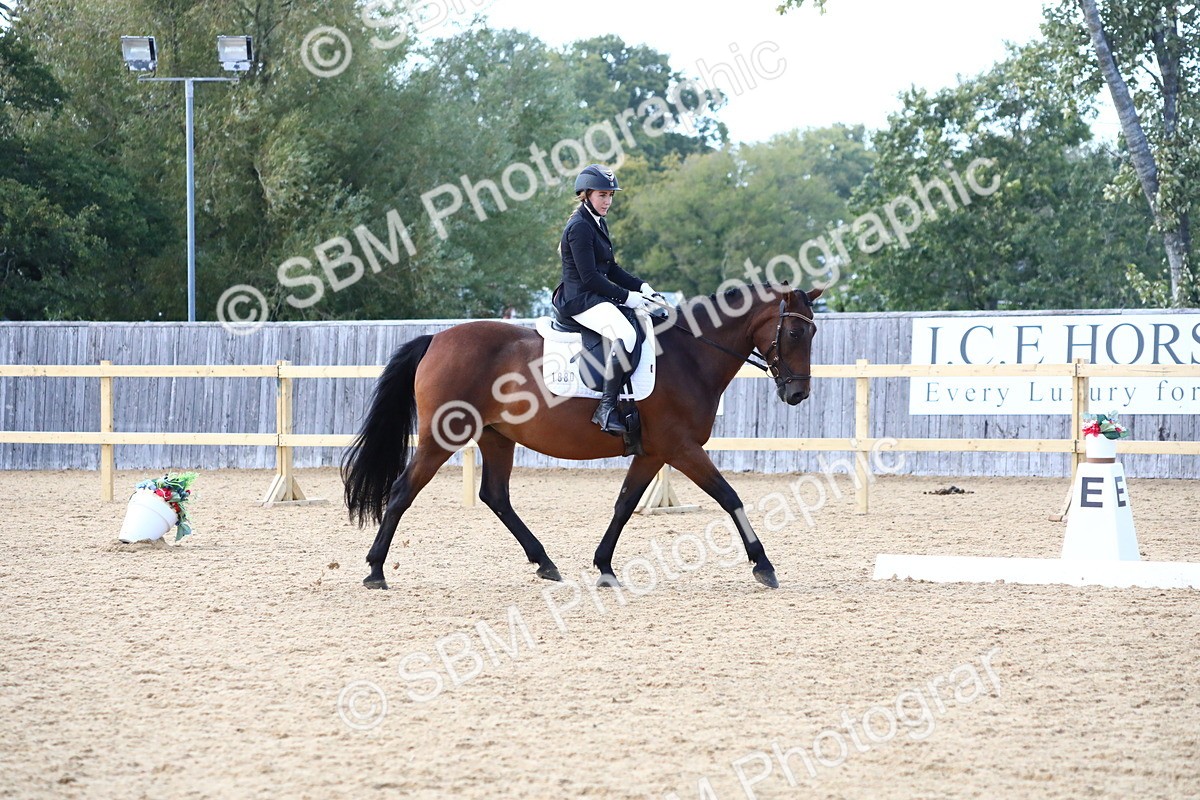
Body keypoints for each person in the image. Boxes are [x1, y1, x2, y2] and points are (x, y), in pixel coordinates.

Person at [553, 164, 662, 435]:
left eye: (611, 195)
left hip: (595, 296)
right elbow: (589, 277)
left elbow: (611, 268)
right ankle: (605, 408)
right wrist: (627, 297)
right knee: (625, 334)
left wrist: (643, 287)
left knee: (640, 322)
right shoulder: (579, 227)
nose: (608, 201)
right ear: (587, 194)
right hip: (579, 299)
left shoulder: (597, 222)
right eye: (603, 195)